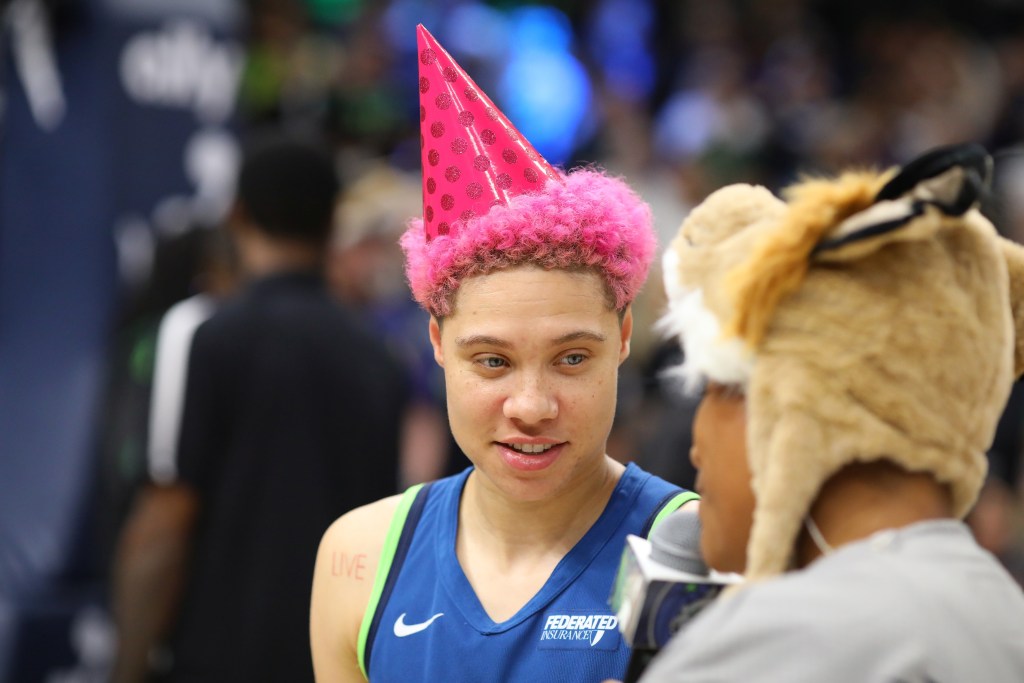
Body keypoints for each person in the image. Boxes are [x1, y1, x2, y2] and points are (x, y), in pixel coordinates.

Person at [309, 25, 698, 683]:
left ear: (625, 336)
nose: (531, 405)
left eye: (572, 358)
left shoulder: (695, 554)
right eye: (492, 361)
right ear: (436, 342)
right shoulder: (361, 556)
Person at [641, 143, 1024, 681]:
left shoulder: (772, 645)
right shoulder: (1004, 613)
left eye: (714, 387)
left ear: (792, 403)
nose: (696, 446)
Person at [111, 134, 408, 683]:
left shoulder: (201, 331)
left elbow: (163, 521)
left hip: (217, 660)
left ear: (238, 214)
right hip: (338, 662)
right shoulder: (379, 358)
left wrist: (125, 669)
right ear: (331, 222)